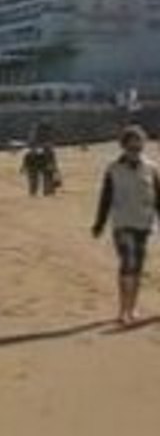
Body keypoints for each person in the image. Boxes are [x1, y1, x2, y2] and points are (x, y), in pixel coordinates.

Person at [91, 125, 160, 326]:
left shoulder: (152, 168)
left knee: (137, 267)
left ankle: (132, 307)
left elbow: (158, 198)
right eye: (131, 148)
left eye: (138, 148)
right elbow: (106, 198)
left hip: (144, 223)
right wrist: (99, 223)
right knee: (127, 262)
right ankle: (123, 310)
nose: (135, 151)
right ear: (124, 147)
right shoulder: (113, 169)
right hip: (122, 223)